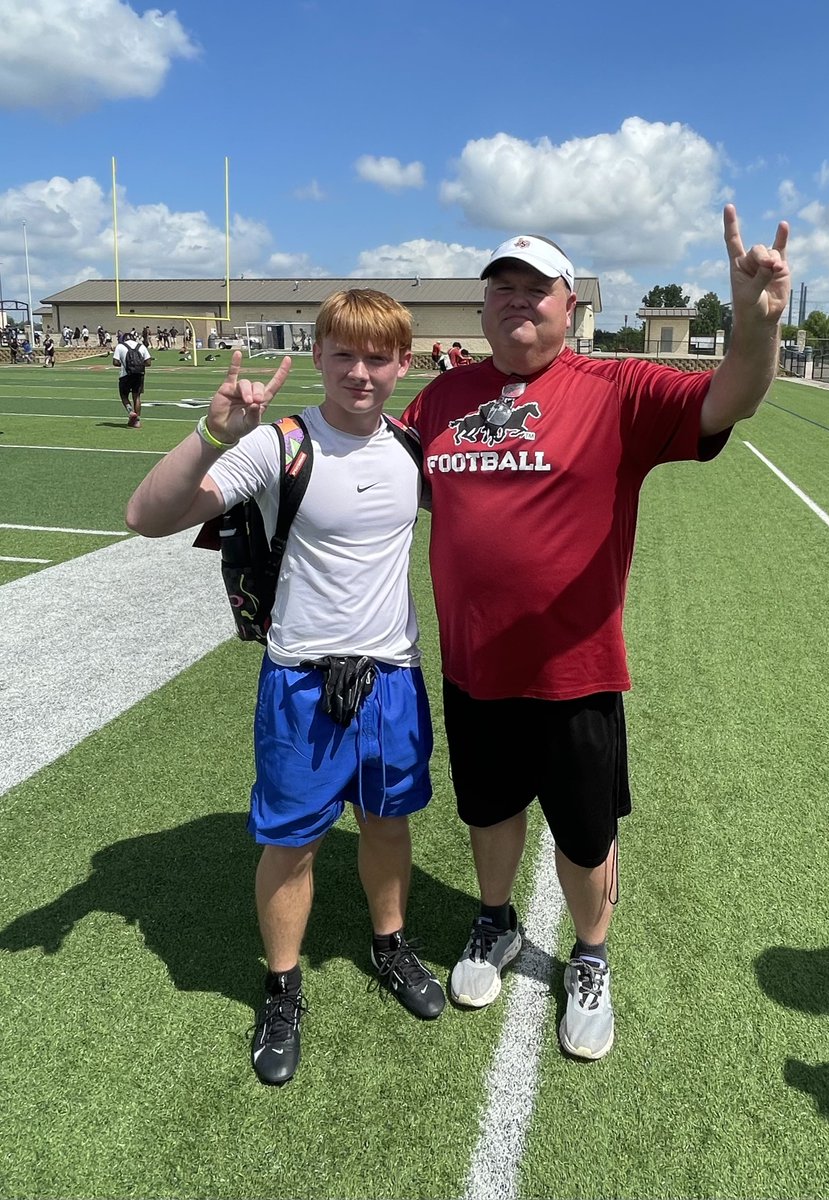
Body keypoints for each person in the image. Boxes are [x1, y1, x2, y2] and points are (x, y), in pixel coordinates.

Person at [401, 206, 789, 1062]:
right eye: (501, 290)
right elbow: (382, 483)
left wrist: (753, 325)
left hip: (575, 674)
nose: (516, 303)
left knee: (583, 835)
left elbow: (733, 396)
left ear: (569, 306)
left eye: (534, 290)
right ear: (480, 311)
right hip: (474, 668)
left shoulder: (619, 391)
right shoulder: (441, 400)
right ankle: (494, 922)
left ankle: (589, 956)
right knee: (488, 812)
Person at [125, 288, 444, 1087]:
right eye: (344, 354)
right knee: (291, 844)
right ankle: (282, 988)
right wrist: (210, 434)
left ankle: (390, 945)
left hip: (393, 680)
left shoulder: (410, 447)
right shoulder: (281, 443)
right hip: (303, 683)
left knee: (387, 826)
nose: (360, 373)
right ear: (320, 355)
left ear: (403, 363)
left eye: (378, 357)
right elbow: (147, 516)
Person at [112, 332, 152, 427]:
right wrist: (138, 365)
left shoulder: (120, 346)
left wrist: (125, 364)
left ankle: (130, 411)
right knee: (136, 397)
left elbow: (115, 362)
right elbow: (148, 362)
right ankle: (137, 421)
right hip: (139, 374)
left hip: (125, 375)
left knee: (124, 395)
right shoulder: (141, 346)